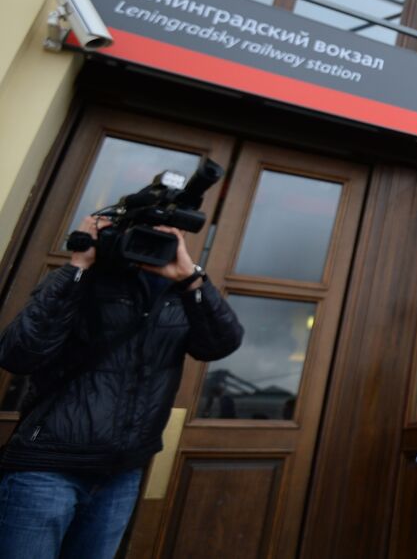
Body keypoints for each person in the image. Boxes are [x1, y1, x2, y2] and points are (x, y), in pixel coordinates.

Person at [0, 215, 243, 557]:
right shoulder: (84, 280)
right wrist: (78, 265)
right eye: (145, 235)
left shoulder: (181, 295)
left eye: (169, 235)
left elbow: (221, 343)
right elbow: (18, 353)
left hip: (119, 475)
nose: (153, 244)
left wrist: (191, 279)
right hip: (48, 468)